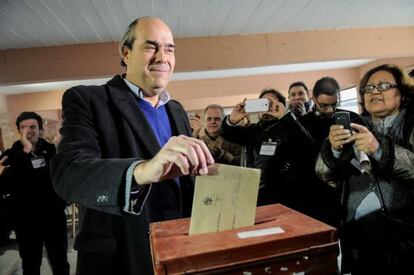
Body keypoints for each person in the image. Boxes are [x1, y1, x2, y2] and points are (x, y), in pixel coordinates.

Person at [50, 17, 214, 275]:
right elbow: (68, 175)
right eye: (151, 47)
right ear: (126, 53)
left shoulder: (177, 110)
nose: (163, 57)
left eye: (169, 49)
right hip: (121, 256)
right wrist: (142, 171)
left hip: (181, 250)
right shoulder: (87, 100)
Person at [316, 64, 414, 273]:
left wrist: (379, 150)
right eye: (368, 88)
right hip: (361, 241)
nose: (374, 91)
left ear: (402, 93)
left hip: (405, 241)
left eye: (384, 85)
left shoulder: (411, 124)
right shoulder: (357, 125)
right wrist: (333, 150)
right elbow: (324, 174)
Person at [221, 88, 315, 212]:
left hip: (282, 199)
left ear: (281, 106)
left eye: (270, 104)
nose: (266, 108)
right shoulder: (252, 130)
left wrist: (285, 116)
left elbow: (308, 145)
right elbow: (227, 133)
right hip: (251, 197)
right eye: (262, 103)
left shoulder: (290, 128)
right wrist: (231, 120)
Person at [0, 112, 69, 275]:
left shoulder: (52, 150)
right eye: (24, 127)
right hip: (25, 219)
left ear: (40, 129)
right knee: (30, 263)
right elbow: (4, 186)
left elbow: (60, 175)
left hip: (53, 216)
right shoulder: (10, 156)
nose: (28, 131)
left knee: (60, 261)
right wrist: (26, 150)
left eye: (33, 127)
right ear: (19, 131)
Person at [299, 77, 363, 227]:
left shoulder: (353, 119)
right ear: (313, 98)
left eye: (334, 105)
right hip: (313, 193)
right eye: (324, 105)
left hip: (349, 190)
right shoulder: (301, 124)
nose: (330, 110)